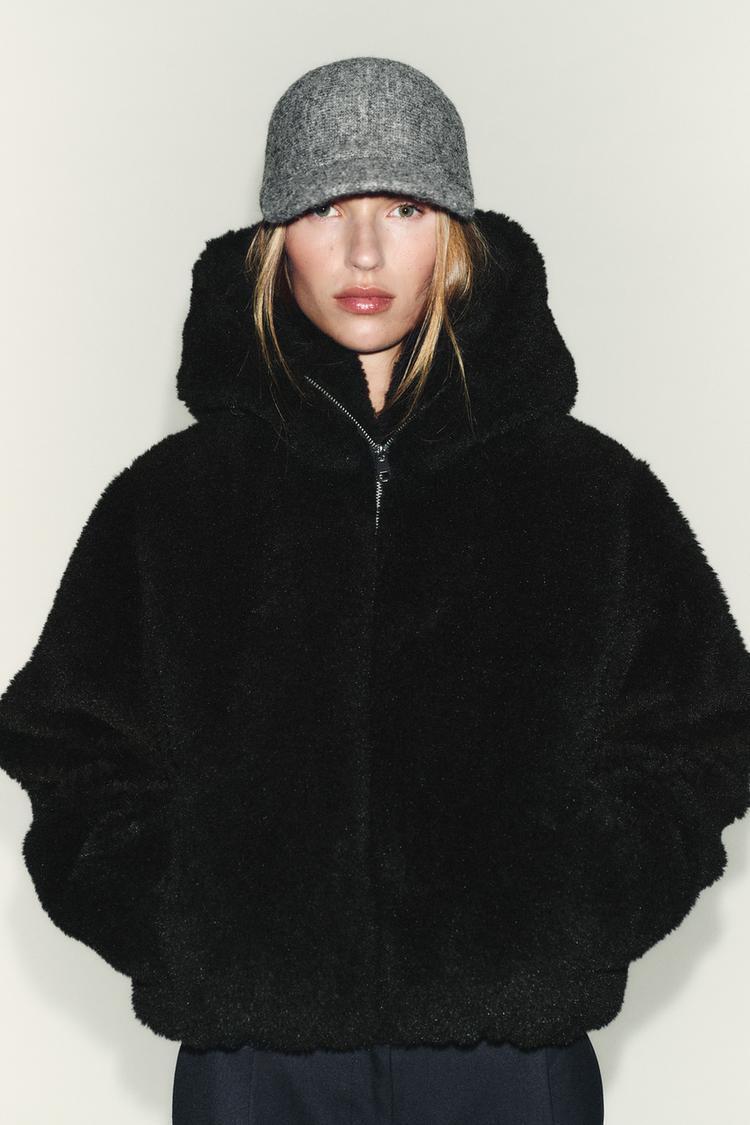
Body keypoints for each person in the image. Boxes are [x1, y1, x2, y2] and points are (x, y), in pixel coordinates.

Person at [0, 55, 749, 1125]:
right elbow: (69, 742)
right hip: (255, 1065)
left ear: (457, 235)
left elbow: (704, 729)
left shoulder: (590, 492)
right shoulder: (171, 501)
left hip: (510, 1064)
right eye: (324, 207)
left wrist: (573, 907)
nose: (363, 250)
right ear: (275, 239)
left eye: (403, 206)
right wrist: (180, 923)